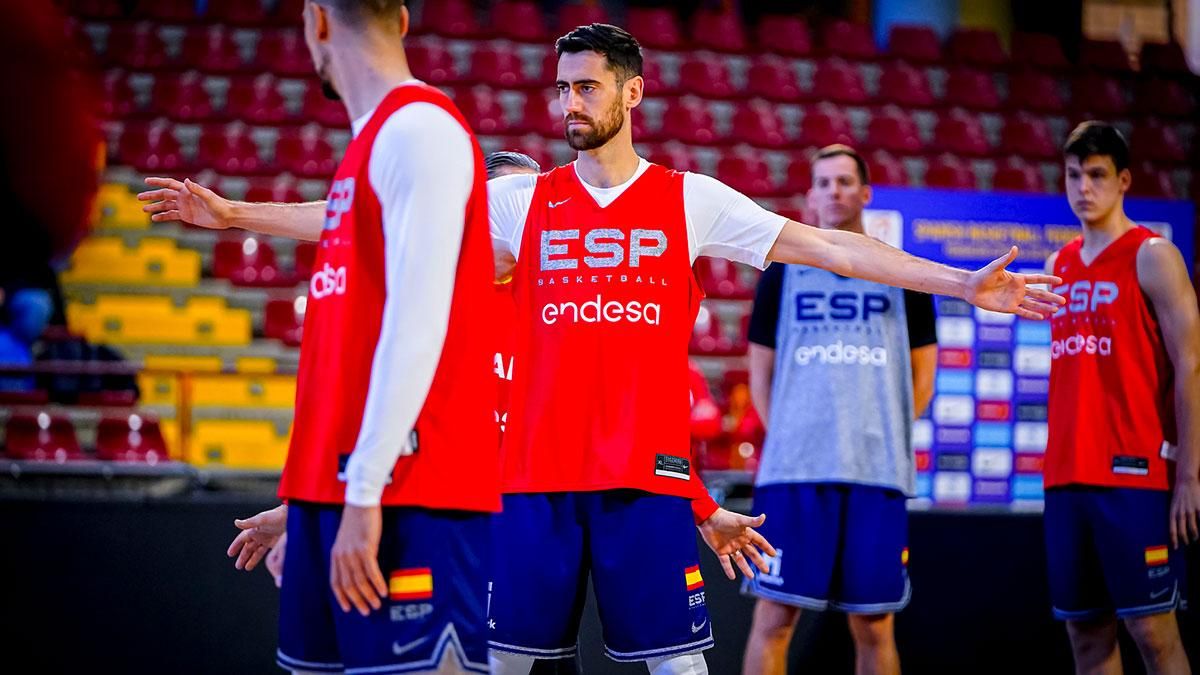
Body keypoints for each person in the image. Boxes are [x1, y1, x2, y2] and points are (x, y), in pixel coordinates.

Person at [144, 24, 1063, 674]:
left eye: (585, 85)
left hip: (644, 480)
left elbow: (836, 246)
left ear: (630, 91)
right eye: (560, 86)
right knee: (502, 662)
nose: (568, 102)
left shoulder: (691, 198)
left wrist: (958, 281)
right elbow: (371, 216)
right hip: (534, 483)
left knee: (678, 664)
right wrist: (234, 213)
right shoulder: (523, 199)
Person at [219, 1, 501, 673]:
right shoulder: (369, 148)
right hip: (339, 495)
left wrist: (363, 492)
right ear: (401, 19)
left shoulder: (420, 129)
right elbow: (351, 348)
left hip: (409, 497)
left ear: (316, 20)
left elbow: (417, 323)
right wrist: (309, 500)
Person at [230, 151, 545, 590]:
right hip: (438, 521)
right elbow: (364, 413)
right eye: (510, 198)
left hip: (533, 522)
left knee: (547, 657)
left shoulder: (552, 303)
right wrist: (300, 511)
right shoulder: (421, 291)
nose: (523, 213)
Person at [740, 145, 938, 675]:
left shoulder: (904, 273)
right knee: (774, 616)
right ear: (810, 196)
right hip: (795, 472)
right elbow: (761, 373)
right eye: (824, 183)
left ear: (866, 193)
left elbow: (923, 377)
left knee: (874, 624)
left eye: (845, 181)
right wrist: (791, 433)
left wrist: (882, 433)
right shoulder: (781, 273)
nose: (834, 191)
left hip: (876, 471)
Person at [1043, 121, 1199, 675]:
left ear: (1124, 179)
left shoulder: (1153, 254)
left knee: (1154, 633)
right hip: (1065, 477)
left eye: (1097, 175)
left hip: (1135, 476)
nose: (1084, 187)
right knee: (1086, 637)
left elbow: (1191, 365)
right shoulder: (1056, 266)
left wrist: (1189, 476)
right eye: (1074, 175)